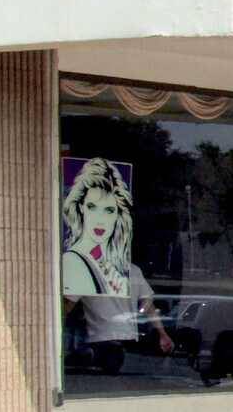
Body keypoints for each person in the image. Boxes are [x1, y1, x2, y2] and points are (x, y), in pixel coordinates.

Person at [60, 157, 172, 372]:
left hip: (100, 340)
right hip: (128, 338)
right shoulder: (132, 270)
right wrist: (162, 333)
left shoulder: (86, 266)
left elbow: (67, 306)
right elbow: (148, 306)